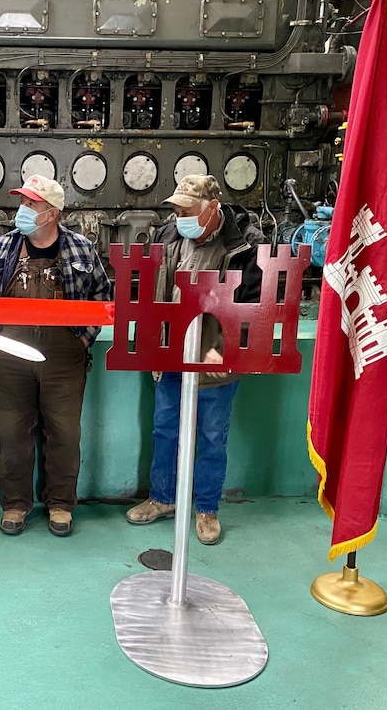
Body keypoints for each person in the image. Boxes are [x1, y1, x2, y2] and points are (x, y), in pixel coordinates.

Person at [125, 174, 264, 545]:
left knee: (212, 435)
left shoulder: (247, 245)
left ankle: (206, 508)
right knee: (165, 429)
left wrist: (229, 348)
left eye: (187, 211)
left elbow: (256, 305)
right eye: (176, 210)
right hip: (171, 353)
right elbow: (151, 287)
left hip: (216, 358)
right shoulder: (170, 235)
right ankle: (163, 498)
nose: (179, 218)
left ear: (212, 208)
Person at [0, 174, 112, 537]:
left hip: (63, 355)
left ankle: (60, 505)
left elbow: (102, 297)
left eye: (31, 204)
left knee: (64, 433)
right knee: (11, 433)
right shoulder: (3, 249)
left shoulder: (81, 249)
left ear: (52, 212)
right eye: (22, 202)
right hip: (11, 355)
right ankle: (16, 504)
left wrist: (83, 340)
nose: (23, 210)